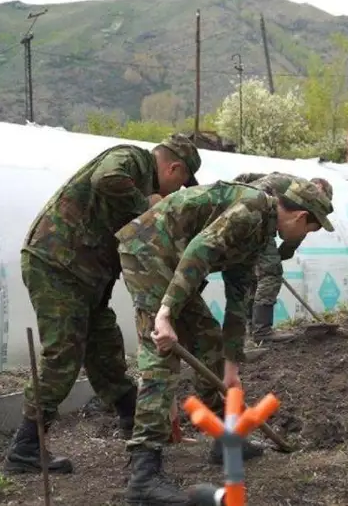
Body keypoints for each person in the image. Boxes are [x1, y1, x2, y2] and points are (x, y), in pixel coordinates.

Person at [116, 179, 334, 505]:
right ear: (301, 217)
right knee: (161, 355)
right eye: (311, 230)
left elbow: (238, 299)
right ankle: (143, 476)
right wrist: (164, 314)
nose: (305, 237)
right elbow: (199, 251)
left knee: (208, 338)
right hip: (150, 249)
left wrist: (231, 365)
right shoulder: (251, 210)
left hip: (173, 258)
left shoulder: (261, 234)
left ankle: (224, 438)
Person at [3, 134, 202, 475]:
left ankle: (131, 418)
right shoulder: (132, 159)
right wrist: (149, 206)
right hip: (57, 262)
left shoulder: (138, 180)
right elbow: (105, 178)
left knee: (105, 348)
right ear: (174, 167)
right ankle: (26, 446)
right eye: (180, 185)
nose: (174, 194)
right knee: (64, 353)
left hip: (84, 276)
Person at [232, 171, 334, 344]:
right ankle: (261, 331)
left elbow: (291, 242)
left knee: (261, 274)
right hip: (252, 217)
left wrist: (274, 261)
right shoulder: (286, 185)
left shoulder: (304, 208)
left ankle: (253, 328)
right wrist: (234, 193)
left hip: (255, 221)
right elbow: (247, 178)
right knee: (269, 273)